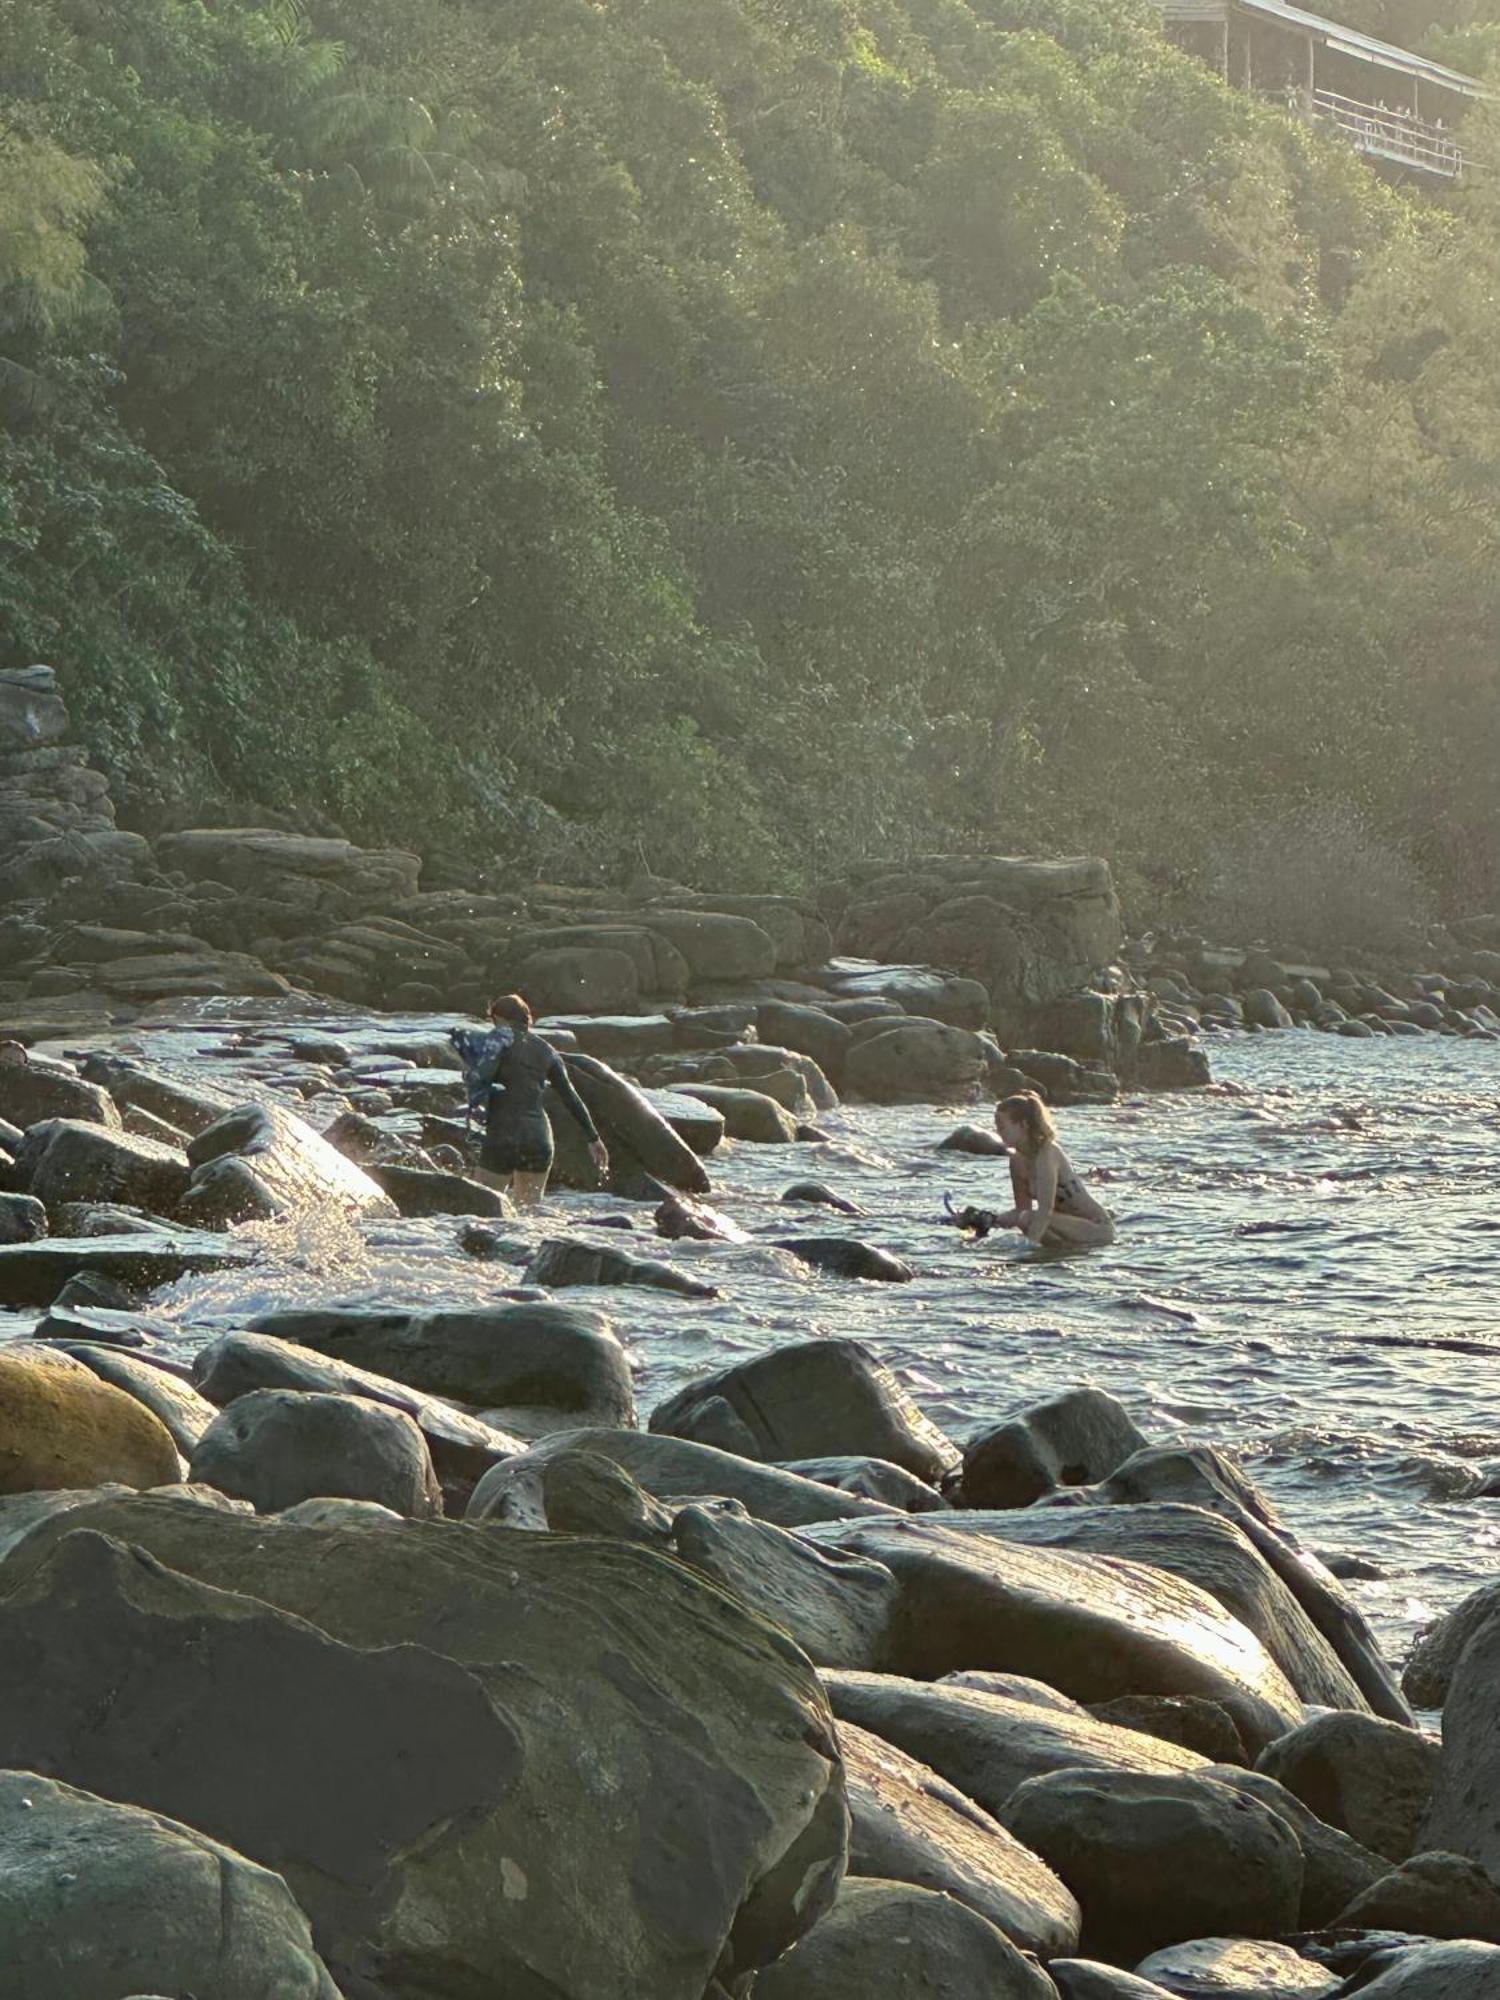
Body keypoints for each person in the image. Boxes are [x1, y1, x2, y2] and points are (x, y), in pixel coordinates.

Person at [469, 993, 608, 1209]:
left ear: (498, 1018)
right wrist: (593, 1138)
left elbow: (481, 1079)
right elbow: (570, 1096)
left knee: (483, 1211)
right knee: (529, 1215)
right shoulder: (547, 1051)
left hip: (504, 1134)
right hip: (539, 1138)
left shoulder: (496, 1040)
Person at [991, 1090, 1115, 1248]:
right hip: (1063, 1225)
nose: (998, 1133)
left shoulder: (1047, 1153)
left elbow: (1045, 1212)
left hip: (1097, 1228)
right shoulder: (1016, 1161)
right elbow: (1020, 1210)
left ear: (1024, 1125)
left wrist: (1026, 1249)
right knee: (1023, 1219)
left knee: (1028, 1219)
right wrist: (989, 1221)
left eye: (1002, 1127)